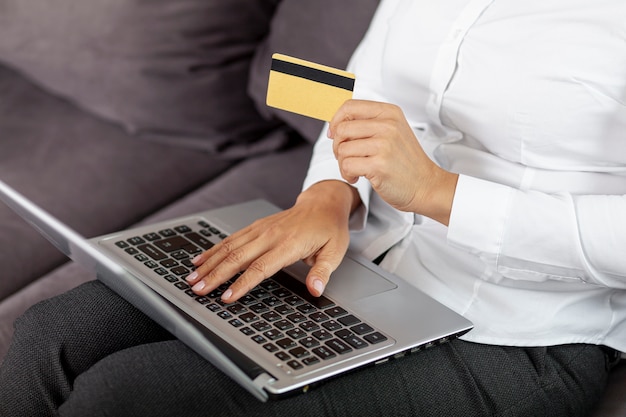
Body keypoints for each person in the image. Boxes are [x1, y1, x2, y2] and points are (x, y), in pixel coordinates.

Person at [1, 0, 624, 416]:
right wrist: (329, 194)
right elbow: (367, 91)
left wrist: (439, 194)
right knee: (51, 333)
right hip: (356, 261)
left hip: (521, 331)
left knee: (128, 396)